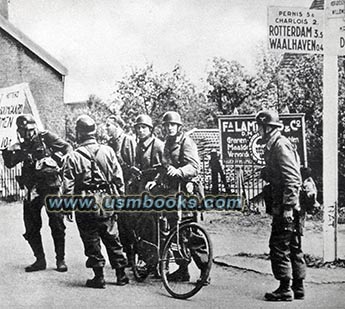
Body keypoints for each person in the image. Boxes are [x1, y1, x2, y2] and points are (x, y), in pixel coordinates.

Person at [62, 115, 129, 288]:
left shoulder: (73, 157)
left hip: (85, 203)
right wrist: (119, 199)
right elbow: (118, 178)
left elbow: (68, 186)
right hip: (106, 200)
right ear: (93, 132)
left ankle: (99, 277)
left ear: (79, 133)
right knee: (112, 236)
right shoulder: (108, 151)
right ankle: (121, 275)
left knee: (90, 239)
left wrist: (67, 208)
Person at [2, 114, 71, 272]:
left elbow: (67, 147)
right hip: (32, 190)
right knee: (31, 227)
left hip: (50, 187)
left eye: (30, 130)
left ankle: (60, 259)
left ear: (35, 128)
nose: (28, 133)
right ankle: (40, 260)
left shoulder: (46, 138)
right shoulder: (21, 145)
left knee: (57, 224)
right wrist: (8, 150)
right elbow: (10, 164)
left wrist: (61, 164)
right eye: (24, 131)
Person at [146, 111, 208, 283]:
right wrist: (156, 180)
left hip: (187, 193)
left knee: (190, 233)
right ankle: (182, 270)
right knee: (174, 232)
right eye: (166, 125)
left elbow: (194, 167)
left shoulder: (187, 143)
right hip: (172, 193)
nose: (169, 128)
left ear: (179, 127)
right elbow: (166, 167)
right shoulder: (167, 143)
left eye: (173, 125)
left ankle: (204, 270)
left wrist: (180, 171)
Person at [256, 110, 306, 301]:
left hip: (287, 206)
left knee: (278, 245)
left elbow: (293, 178)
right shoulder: (276, 144)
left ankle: (285, 288)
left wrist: (288, 207)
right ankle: (298, 287)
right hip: (289, 205)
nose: (258, 130)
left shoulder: (279, 145)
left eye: (259, 126)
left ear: (267, 127)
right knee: (293, 245)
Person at [130, 114, 164, 268]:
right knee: (140, 223)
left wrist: (154, 180)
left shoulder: (158, 145)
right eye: (138, 128)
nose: (140, 130)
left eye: (143, 128)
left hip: (156, 189)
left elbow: (163, 169)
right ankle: (148, 259)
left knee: (154, 225)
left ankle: (158, 261)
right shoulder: (139, 146)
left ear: (150, 129)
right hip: (142, 187)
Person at [105, 115, 136, 263]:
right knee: (120, 223)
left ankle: (133, 256)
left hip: (129, 187)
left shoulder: (128, 141)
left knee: (129, 222)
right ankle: (127, 254)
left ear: (117, 126)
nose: (106, 128)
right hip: (117, 188)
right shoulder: (110, 143)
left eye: (108, 125)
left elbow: (134, 165)